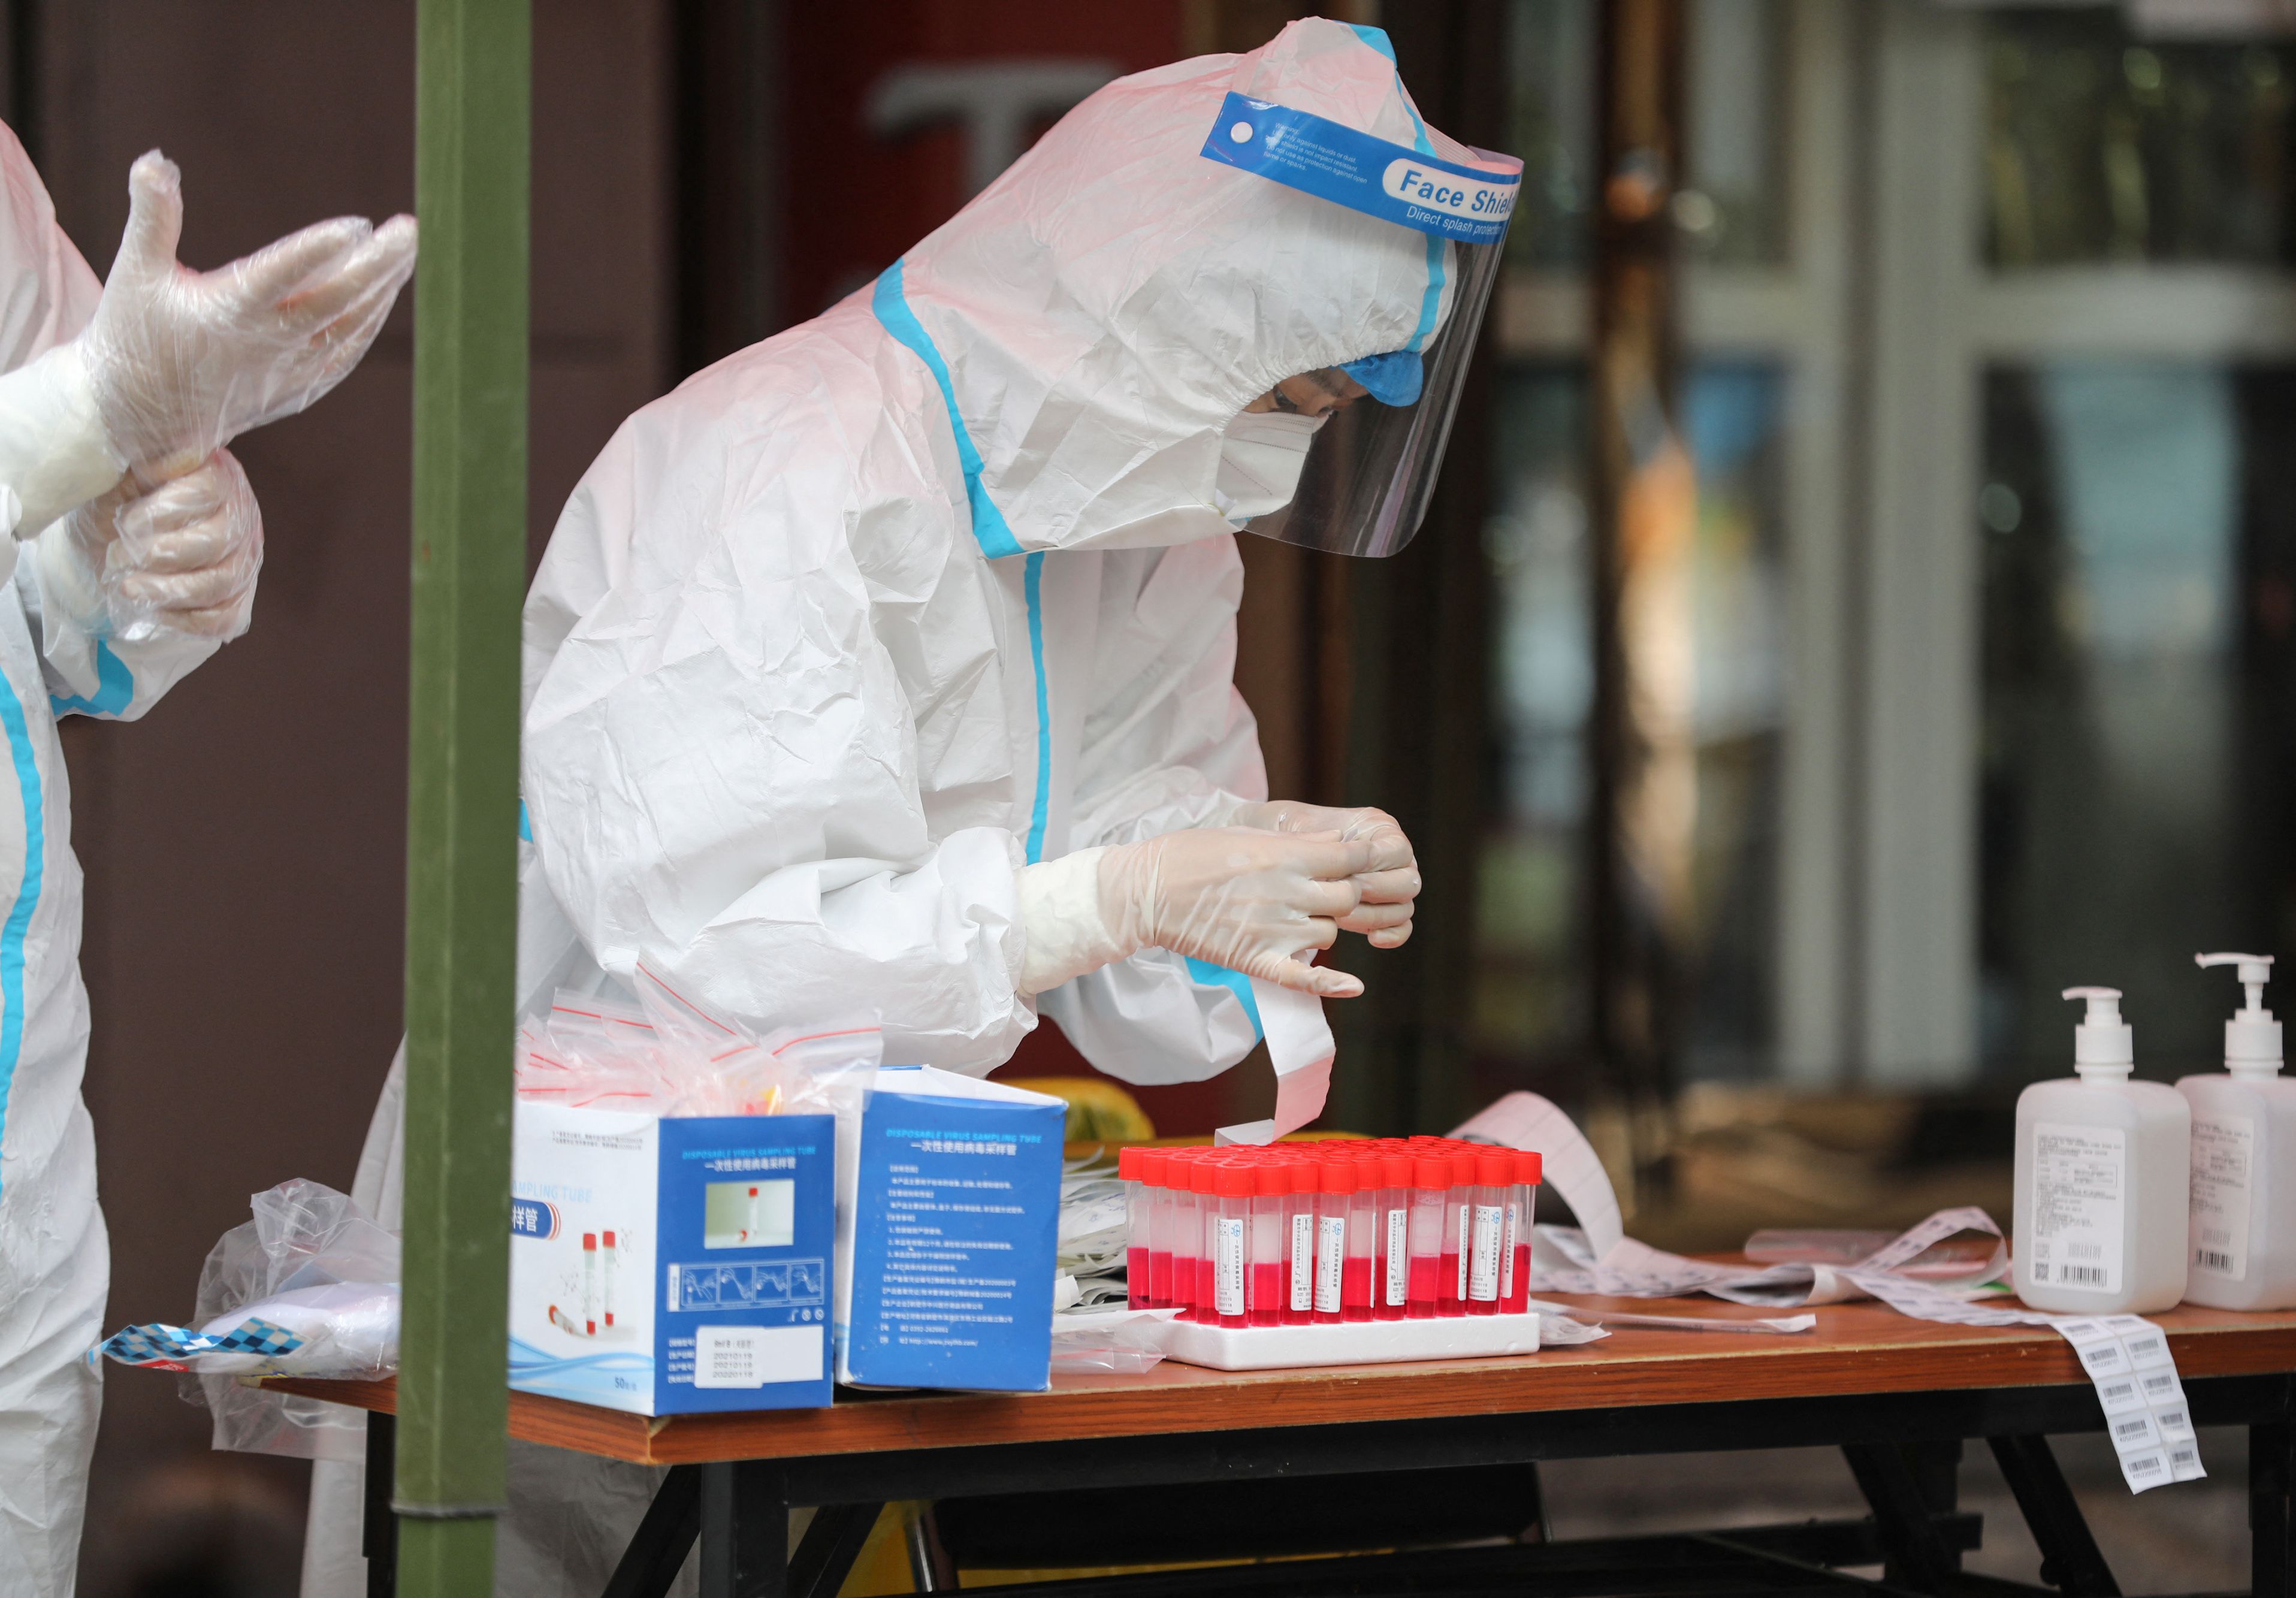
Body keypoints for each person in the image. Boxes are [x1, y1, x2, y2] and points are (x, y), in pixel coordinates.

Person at [304, 17, 1515, 1594]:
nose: (1292, 444)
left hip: (877, 1265)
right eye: (1292, 385)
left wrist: (1267, 891)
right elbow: (724, 960)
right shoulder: (783, 468)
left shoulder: (1152, 526)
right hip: (587, 1237)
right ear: (1169, 320)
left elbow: (1155, 983)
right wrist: (1115, 895)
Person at [0, 128, 415, 1592]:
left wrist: (147, 542)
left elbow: (39, 607)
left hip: (15, 1164)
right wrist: (78, 413)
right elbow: (48, 423)